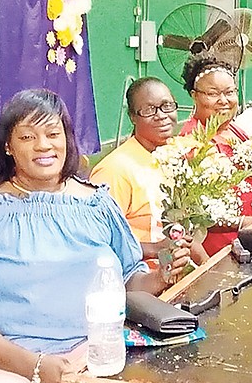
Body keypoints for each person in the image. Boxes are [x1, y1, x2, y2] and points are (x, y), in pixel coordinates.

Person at [0, 89, 191, 383]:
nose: (44, 145)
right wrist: (34, 366)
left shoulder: (97, 203)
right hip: (1, 366)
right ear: (8, 146)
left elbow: (127, 280)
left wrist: (162, 275)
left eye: (53, 133)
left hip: (95, 355)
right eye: (28, 137)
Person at [90, 77, 209, 265]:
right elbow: (97, 241)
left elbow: (182, 231)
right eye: (149, 110)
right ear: (132, 117)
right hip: (139, 283)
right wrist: (154, 249)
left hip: (177, 275)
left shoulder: (173, 156)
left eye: (167, 106)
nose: (161, 115)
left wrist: (206, 265)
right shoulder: (114, 170)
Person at [179, 55, 252, 256]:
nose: (224, 101)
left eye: (229, 92)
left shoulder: (236, 131)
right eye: (212, 93)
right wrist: (245, 222)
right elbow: (197, 212)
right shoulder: (191, 140)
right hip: (221, 250)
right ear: (195, 95)